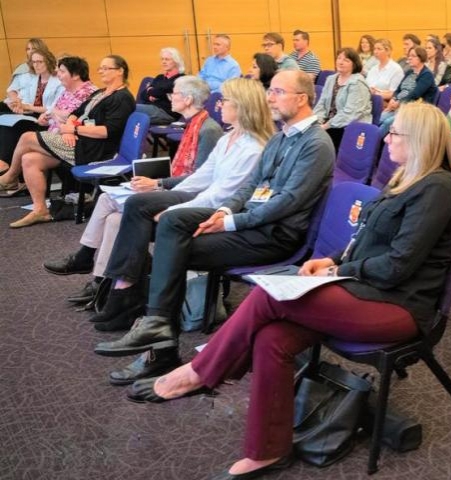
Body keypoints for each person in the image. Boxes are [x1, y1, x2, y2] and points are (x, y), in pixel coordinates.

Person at [123, 102, 451, 480]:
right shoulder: (406, 178)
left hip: (398, 307)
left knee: (272, 295)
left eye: (396, 132)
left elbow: (398, 265)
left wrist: (337, 268)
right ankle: (267, 450)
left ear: (419, 139)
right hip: (363, 288)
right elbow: (366, 240)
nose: (388, 137)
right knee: (272, 338)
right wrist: (331, 260)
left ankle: (200, 373)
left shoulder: (437, 187)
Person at [92, 70, 335, 363]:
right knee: (171, 225)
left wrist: (230, 221)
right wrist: (223, 211)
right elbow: (249, 187)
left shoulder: (316, 144)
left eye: (278, 92)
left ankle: (159, 341)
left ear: (302, 99)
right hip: (252, 222)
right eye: (270, 91)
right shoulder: (281, 138)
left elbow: (287, 202)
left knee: (173, 248)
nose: (269, 98)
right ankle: (157, 328)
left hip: (275, 236)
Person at [43, 76, 224, 312]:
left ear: (188, 99)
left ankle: (87, 262)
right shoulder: (193, 123)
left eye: (175, 94)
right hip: (175, 189)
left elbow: (200, 179)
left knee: (110, 202)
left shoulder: (208, 130)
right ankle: (100, 281)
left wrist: (157, 183)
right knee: (113, 218)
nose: (170, 98)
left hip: (188, 198)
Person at [0, 55, 135, 228]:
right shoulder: (100, 93)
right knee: (29, 159)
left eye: (105, 68)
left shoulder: (122, 98)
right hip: (77, 142)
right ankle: (40, 210)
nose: (100, 71)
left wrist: (75, 129)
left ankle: (9, 178)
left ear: (120, 71)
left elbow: (107, 131)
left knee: (27, 137)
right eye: (100, 67)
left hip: (93, 149)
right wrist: (70, 126)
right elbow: (76, 112)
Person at [0, 49, 67, 176]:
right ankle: (5, 163)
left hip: (46, 119)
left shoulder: (58, 81)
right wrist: (18, 105)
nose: (36, 65)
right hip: (30, 114)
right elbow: (23, 98)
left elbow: (52, 108)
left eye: (39, 61)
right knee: (3, 118)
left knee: (12, 127)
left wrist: (27, 107)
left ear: (48, 61)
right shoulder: (33, 79)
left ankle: (5, 163)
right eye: (33, 62)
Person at [313, 48, 372, 150]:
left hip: (349, 126)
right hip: (330, 123)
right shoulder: (331, 79)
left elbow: (350, 114)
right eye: (339, 58)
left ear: (354, 64)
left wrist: (325, 126)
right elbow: (321, 104)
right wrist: (317, 122)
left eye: (346, 60)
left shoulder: (357, 83)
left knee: (317, 143)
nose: (340, 62)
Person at [378, 47, 437, 136]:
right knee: (379, 119)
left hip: (415, 110)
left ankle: (373, 143)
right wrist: (393, 99)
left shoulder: (427, 74)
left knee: (387, 122)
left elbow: (415, 94)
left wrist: (399, 103)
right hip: (398, 106)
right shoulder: (409, 72)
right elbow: (398, 90)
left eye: (413, 56)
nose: (409, 58)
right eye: (409, 56)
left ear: (421, 58)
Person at [135, 47, 185, 125]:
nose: (164, 62)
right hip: (152, 108)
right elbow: (143, 95)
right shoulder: (160, 77)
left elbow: (159, 92)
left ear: (176, 61)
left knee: (128, 109)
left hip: (167, 113)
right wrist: (151, 94)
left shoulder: (181, 78)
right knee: (126, 111)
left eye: (167, 59)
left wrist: (151, 91)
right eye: (162, 59)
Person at [4, 38, 49, 111]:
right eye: (28, 49)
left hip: (34, 109)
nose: (30, 51)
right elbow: (12, 89)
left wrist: (25, 107)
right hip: (16, 104)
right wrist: (16, 103)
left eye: (33, 48)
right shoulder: (22, 68)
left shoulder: (48, 70)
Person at [365, 38, 404, 103]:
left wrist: (377, 93)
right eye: (374, 49)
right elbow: (366, 87)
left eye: (379, 49)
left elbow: (394, 93)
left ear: (388, 51)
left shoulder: (396, 69)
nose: (375, 52)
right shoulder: (373, 69)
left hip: (385, 103)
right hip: (369, 102)